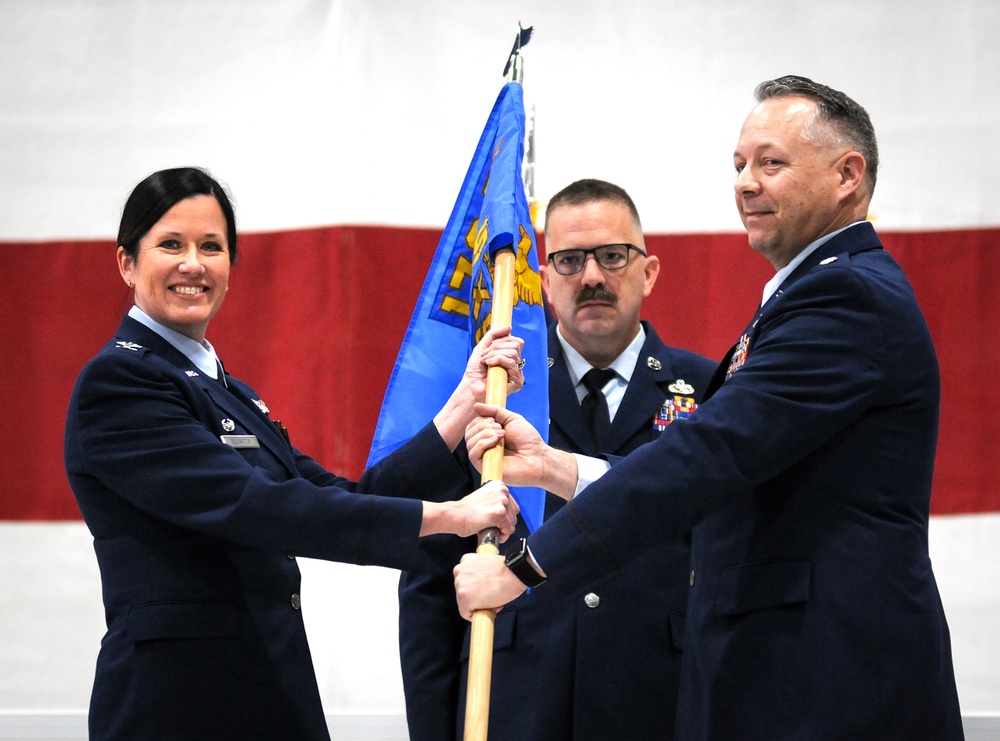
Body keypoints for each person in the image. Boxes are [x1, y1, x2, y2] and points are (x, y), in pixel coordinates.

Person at [455, 77, 965, 740]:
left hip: (830, 686)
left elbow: (707, 456)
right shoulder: (815, 292)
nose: (746, 183)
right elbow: (726, 473)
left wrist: (525, 566)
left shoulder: (847, 298)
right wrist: (559, 469)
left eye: (771, 162)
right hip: (789, 683)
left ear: (848, 174)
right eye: (739, 165)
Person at [64, 166, 522, 741]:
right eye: (170, 245)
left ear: (231, 267)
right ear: (128, 263)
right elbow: (260, 508)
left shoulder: (230, 392)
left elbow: (337, 498)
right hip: (176, 707)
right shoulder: (120, 382)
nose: (193, 264)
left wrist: (460, 407)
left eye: (212, 246)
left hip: (267, 693)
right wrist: (452, 517)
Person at [398, 179, 716, 740]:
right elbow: (428, 583)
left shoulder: (713, 392)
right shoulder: (491, 394)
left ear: (649, 271)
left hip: (662, 702)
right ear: (543, 282)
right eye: (569, 261)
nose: (591, 277)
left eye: (613, 256)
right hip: (515, 704)